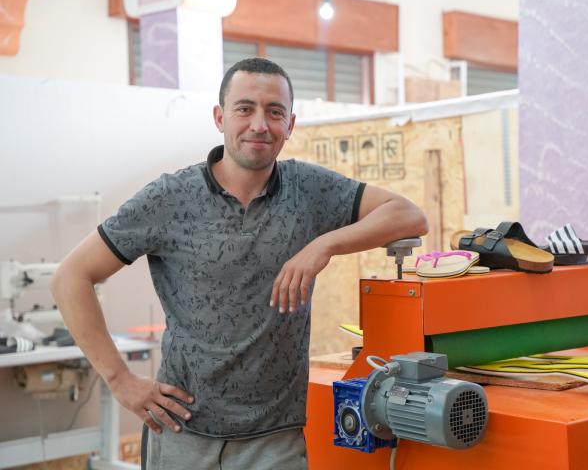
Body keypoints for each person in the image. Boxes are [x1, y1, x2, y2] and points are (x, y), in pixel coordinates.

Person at [51, 57, 428, 470]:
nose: (259, 124)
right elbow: (71, 277)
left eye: (274, 112)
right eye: (245, 109)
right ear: (220, 117)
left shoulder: (309, 189)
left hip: (275, 440)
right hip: (183, 434)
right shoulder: (169, 198)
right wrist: (121, 381)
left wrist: (324, 245)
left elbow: (409, 215)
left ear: (290, 124)